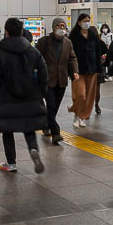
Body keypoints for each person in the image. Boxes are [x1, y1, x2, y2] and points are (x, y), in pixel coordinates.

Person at [0, 17, 47, 174]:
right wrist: (41, 93)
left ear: (6, 32)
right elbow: (43, 74)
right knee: (29, 127)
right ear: (22, 31)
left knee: (8, 130)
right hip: (30, 97)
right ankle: (33, 149)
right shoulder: (33, 52)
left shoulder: (0, 54)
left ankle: (11, 163)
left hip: (5, 99)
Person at [36, 17, 79, 145]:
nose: (61, 28)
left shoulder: (68, 42)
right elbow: (36, 57)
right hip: (47, 79)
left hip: (62, 79)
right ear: (54, 27)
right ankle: (56, 133)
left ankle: (46, 125)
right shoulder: (44, 41)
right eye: (59, 26)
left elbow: (72, 58)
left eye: (63, 26)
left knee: (54, 108)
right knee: (51, 105)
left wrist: (74, 71)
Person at [68, 14, 104, 128]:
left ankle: (82, 116)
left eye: (88, 21)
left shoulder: (93, 35)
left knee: (89, 96)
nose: (87, 23)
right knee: (81, 94)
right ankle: (76, 114)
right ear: (79, 22)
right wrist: (70, 70)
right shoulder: (73, 36)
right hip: (78, 70)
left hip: (92, 69)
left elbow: (99, 51)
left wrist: (99, 68)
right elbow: (69, 54)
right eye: (84, 21)